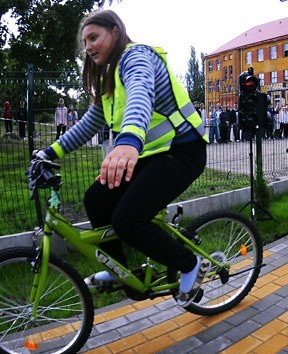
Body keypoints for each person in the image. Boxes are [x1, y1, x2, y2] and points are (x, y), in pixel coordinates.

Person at [33, 9, 209, 306]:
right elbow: (90, 122)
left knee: (127, 219)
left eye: (94, 37)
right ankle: (119, 270)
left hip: (183, 151)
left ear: (115, 32)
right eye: (84, 41)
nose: (88, 46)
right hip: (152, 155)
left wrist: (127, 142)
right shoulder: (108, 79)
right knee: (96, 199)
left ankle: (190, 263)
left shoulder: (136, 57)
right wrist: (49, 153)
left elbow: (141, 93)